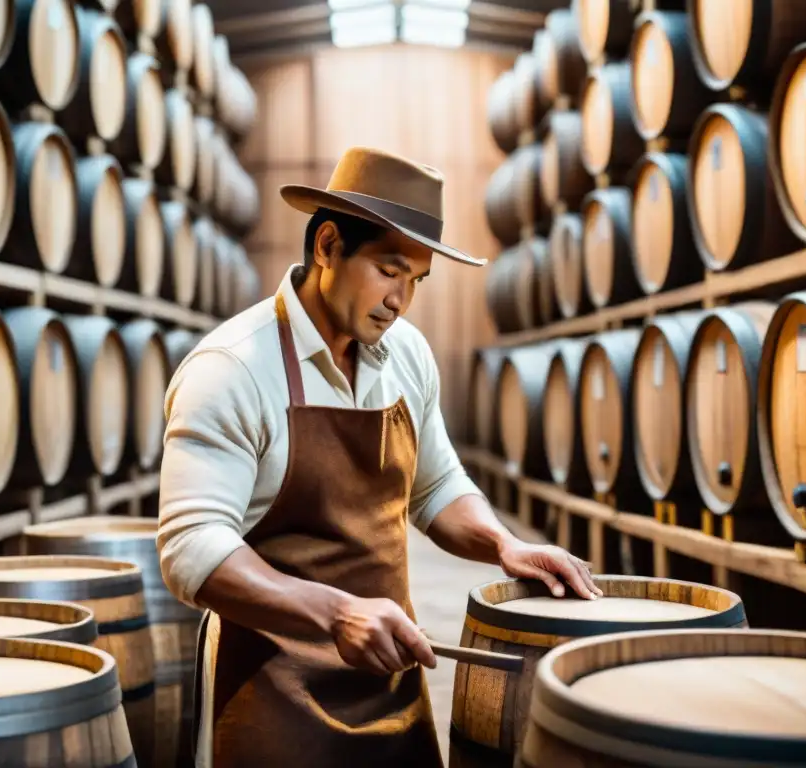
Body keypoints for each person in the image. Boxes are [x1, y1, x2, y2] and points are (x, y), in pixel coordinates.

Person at [157, 146, 601, 768]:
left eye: (416, 280)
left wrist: (503, 545)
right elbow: (192, 549)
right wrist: (336, 612)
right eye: (391, 270)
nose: (401, 300)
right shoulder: (232, 369)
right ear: (328, 246)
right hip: (270, 690)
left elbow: (435, 484)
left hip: (389, 675)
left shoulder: (406, 355)